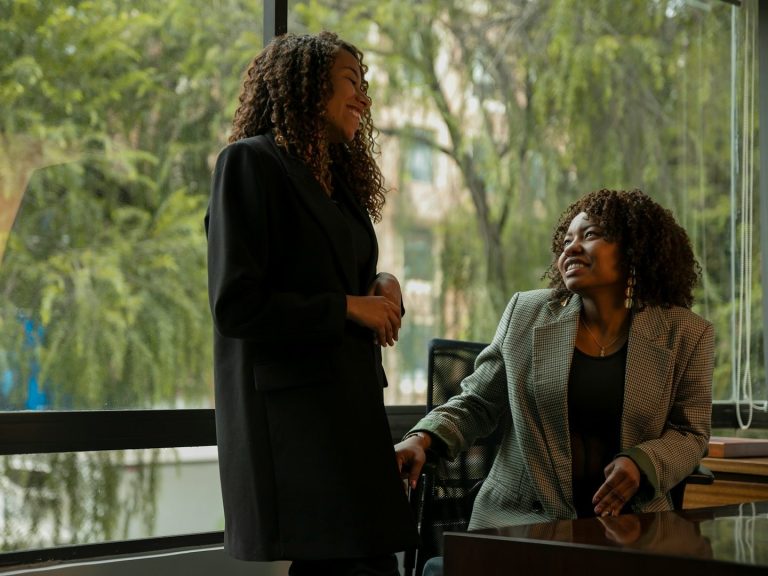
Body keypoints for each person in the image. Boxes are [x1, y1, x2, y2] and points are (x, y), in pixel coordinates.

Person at [395, 188, 714, 575]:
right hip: (522, 525)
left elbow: (690, 432)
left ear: (634, 250)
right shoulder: (526, 313)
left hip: (631, 528)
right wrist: (423, 438)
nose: (572, 248)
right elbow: (477, 402)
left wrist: (643, 463)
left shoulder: (686, 334)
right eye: (566, 241)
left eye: (590, 235)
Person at [205, 31, 418, 575]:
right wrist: (347, 307)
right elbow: (236, 304)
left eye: (364, 85)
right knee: (347, 565)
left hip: (350, 408)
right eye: (351, 81)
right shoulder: (248, 164)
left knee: (372, 563)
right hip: (297, 426)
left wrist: (382, 281)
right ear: (308, 88)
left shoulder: (336, 180)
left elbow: (342, 270)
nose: (363, 98)